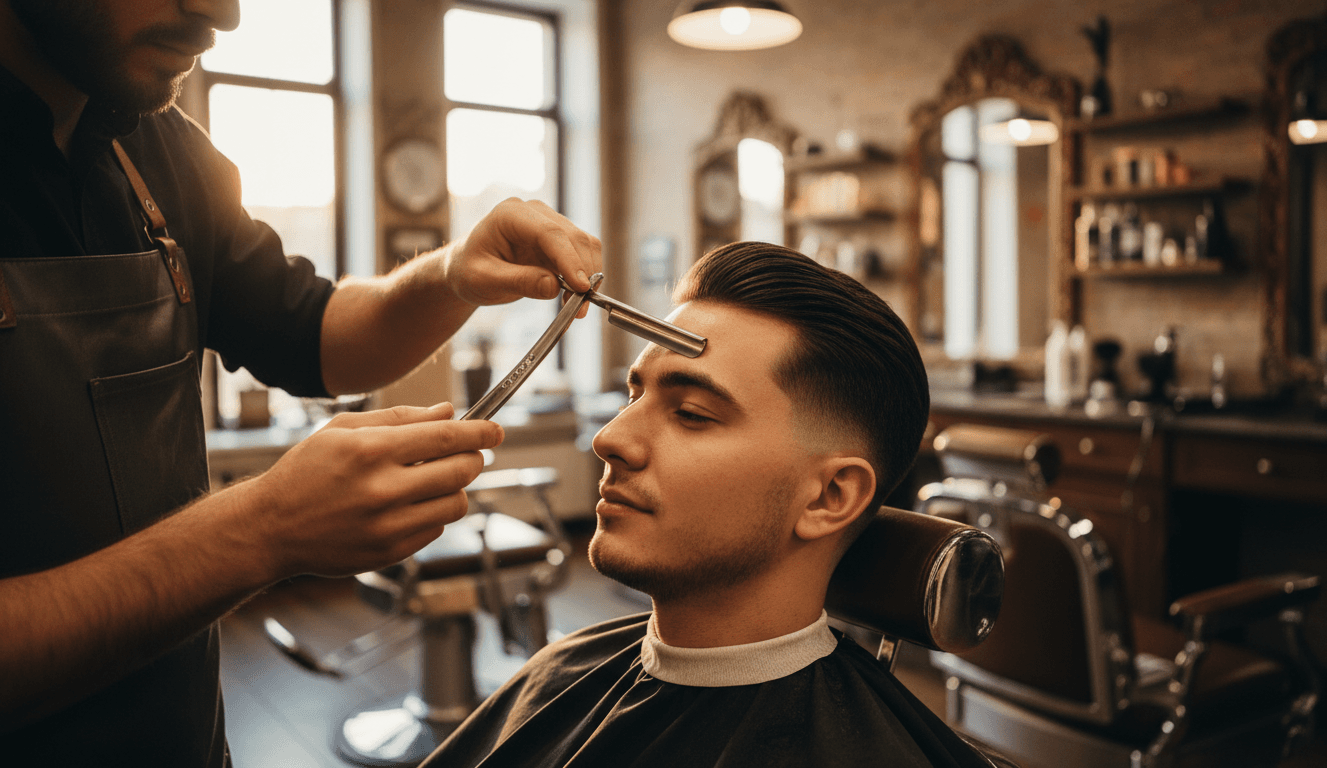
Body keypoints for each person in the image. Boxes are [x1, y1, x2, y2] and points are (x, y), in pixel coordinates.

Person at [0, 0, 600, 764]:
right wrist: (260, 532)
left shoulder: (161, 153)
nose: (222, 14)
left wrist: (453, 275)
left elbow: (319, 336)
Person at [420, 241, 992, 768]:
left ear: (829, 496)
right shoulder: (564, 667)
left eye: (692, 414)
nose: (610, 438)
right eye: (635, 393)